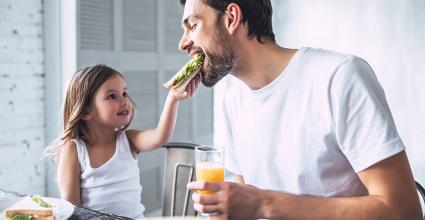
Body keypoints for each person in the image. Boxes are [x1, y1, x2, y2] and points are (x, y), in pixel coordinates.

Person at [177, 0, 423, 219]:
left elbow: (404, 211)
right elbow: (244, 202)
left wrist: (265, 203)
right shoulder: (231, 100)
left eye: (193, 25)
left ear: (232, 18)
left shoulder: (340, 77)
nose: (183, 43)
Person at [44, 64, 200, 219]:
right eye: (112, 96)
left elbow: (160, 136)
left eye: (124, 93)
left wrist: (172, 98)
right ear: (86, 111)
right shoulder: (74, 150)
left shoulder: (128, 140)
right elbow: (72, 211)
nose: (124, 101)